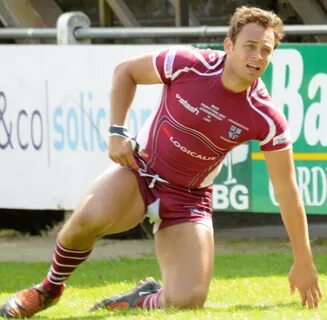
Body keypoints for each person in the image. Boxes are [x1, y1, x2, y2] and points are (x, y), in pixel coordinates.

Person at [0, 5, 323, 318]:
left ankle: (143, 299)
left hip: (189, 198)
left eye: (266, 51)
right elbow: (125, 71)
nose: (257, 57)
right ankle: (48, 288)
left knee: (188, 300)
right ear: (229, 45)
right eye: (250, 46)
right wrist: (116, 132)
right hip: (142, 171)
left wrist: (304, 260)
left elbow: (286, 190)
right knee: (84, 222)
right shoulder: (187, 63)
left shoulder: (266, 117)